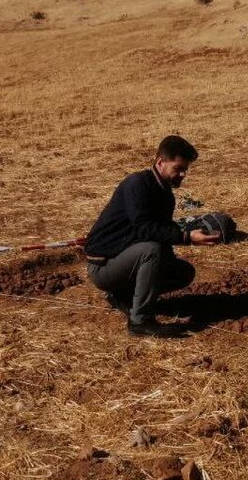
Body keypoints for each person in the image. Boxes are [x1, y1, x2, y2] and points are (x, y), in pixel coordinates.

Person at [85, 136, 220, 337]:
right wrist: (187, 237)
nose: (183, 174)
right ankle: (140, 321)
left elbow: (161, 234)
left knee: (181, 272)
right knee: (151, 250)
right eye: (178, 168)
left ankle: (124, 297)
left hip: (126, 259)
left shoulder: (165, 195)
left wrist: (169, 260)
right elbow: (145, 230)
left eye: (185, 170)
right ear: (160, 162)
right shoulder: (137, 184)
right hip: (104, 266)